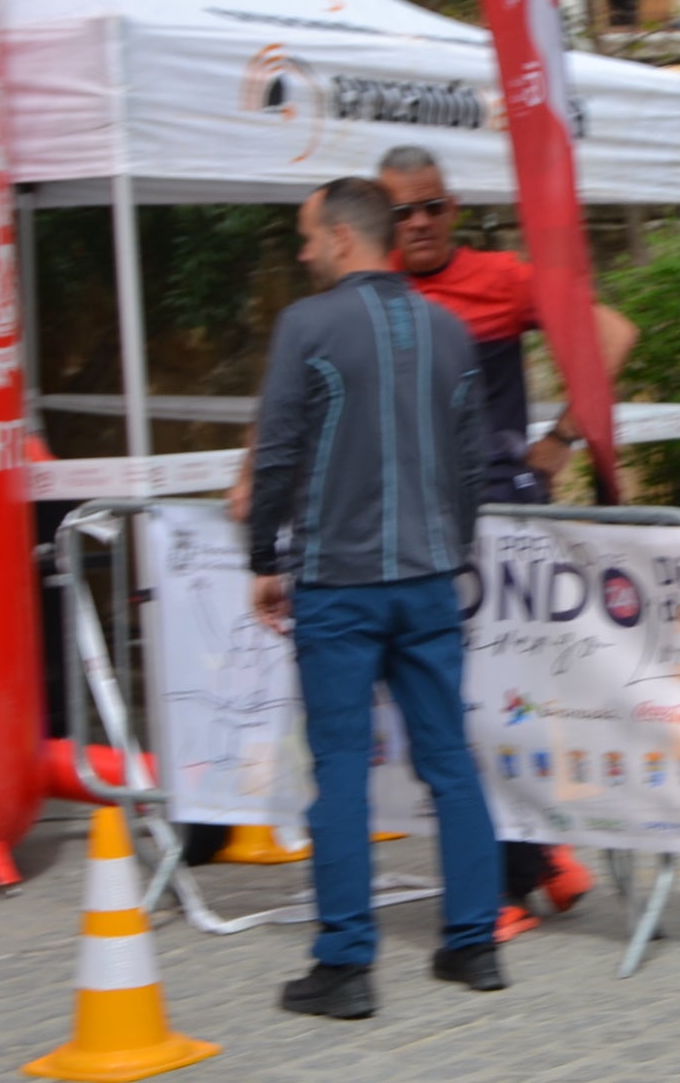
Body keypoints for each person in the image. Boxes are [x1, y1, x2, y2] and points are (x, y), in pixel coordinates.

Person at [247, 178, 505, 1019]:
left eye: (307, 235)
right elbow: (474, 463)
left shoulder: (308, 325)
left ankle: (346, 966)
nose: (301, 250)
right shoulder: (449, 329)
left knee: (342, 773)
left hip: (340, 587)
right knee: (449, 764)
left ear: (344, 239)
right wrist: (452, 548)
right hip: (429, 582)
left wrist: (262, 558)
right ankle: (473, 949)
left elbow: (278, 451)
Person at [376, 144, 633, 938]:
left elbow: (612, 334)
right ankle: (545, 863)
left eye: (433, 207)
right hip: (417, 529)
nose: (419, 223)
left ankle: (510, 887)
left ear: (454, 210)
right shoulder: (374, 291)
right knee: (450, 707)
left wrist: (561, 438)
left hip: (494, 521)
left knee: (485, 708)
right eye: (401, 212)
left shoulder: (500, 277)